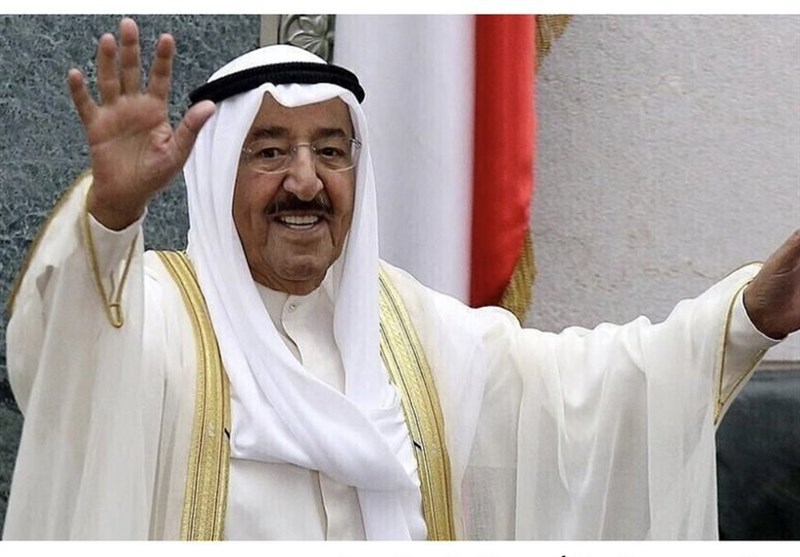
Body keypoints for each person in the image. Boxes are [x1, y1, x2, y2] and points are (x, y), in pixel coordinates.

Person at [3, 17, 799, 541]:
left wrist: (747, 317)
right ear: (216, 178)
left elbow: (584, 392)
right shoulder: (157, 316)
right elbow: (65, 353)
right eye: (270, 151)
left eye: (331, 150)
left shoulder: (412, 330)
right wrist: (112, 212)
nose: (306, 181)